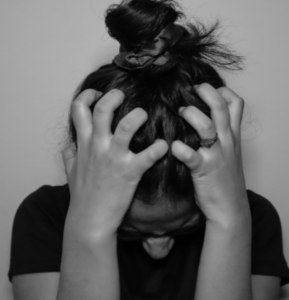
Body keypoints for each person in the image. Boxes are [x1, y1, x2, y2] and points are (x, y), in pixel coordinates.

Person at [8, 0, 289, 299]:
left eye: (185, 228)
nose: (159, 250)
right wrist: (90, 228)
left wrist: (230, 221)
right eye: (129, 230)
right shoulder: (44, 215)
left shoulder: (254, 217)